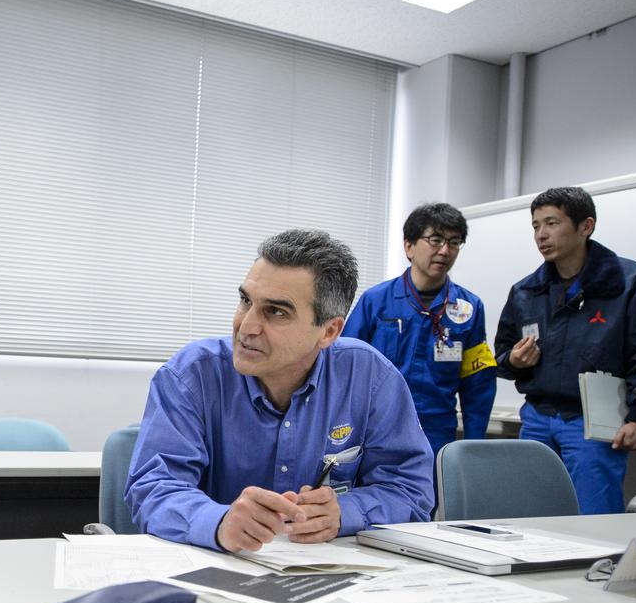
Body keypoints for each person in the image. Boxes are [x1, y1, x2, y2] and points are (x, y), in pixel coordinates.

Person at [126, 229, 434, 552]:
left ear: (329, 331)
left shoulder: (370, 378)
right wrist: (218, 522)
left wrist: (346, 512)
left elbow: (411, 489)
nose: (246, 328)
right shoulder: (191, 376)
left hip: (326, 575)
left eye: (276, 312)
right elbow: (153, 488)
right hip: (215, 568)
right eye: (246, 301)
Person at [494, 186, 636, 515]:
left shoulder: (627, 280)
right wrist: (515, 360)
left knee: (595, 519)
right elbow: (504, 356)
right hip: (537, 417)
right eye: (535, 226)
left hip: (592, 420)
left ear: (585, 226)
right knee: (529, 516)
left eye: (552, 223)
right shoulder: (526, 290)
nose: (541, 234)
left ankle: (600, 567)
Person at [340, 203, 496, 457]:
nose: (445, 251)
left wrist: (475, 444)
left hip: (436, 431)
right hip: (376, 426)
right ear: (409, 246)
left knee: (434, 496)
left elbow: (477, 382)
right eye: (435, 240)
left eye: (454, 242)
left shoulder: (468, 307)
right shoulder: (376, 301)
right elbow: (345, 367)